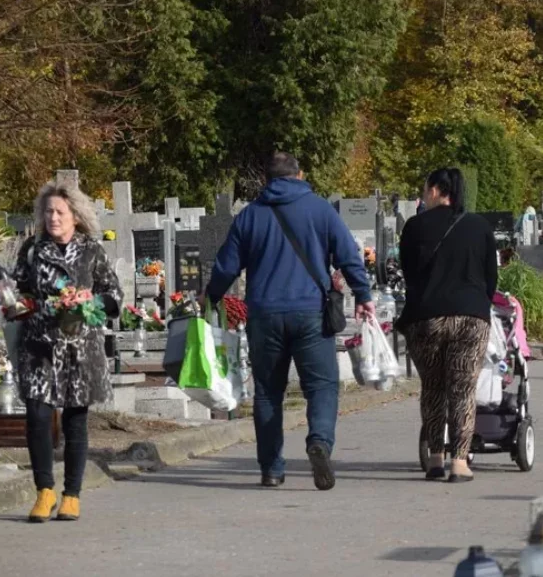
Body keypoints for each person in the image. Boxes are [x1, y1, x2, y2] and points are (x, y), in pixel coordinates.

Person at [207, 153, 374, 491]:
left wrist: (210, 297)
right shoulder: (321, 210)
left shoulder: (249, 216)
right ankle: (319, 442)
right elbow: (347, 255)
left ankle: (271, 469)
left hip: (264, 314)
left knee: (268, 392)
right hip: (311, 312)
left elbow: (227, 266)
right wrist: (364, 295)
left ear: (266, 179)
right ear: (300, 174)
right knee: (321, 386)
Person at [15, 181, 121, 522]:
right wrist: (16, 304)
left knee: (76, 422)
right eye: (47, 211)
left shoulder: (91, 250)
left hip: (80, 348)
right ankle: (44, 491)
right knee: (38, 417)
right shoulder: (32, 249)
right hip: (40, 348)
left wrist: (90, 299)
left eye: (59, 211)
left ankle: (71, 494)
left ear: (75, 215)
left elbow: (114, 296)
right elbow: (20, 292)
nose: (52, 218)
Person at [398, 168, 498, 482]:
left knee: (433, 388)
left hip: (426, 317)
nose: (422, 195)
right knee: (463, 390)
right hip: (470, 316)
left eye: (425, 190)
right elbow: (490, 278)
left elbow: (409, 274)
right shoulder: (479, 226)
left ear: (439, 190)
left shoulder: (415, 226)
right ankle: (459, 461)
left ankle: (435, 459)